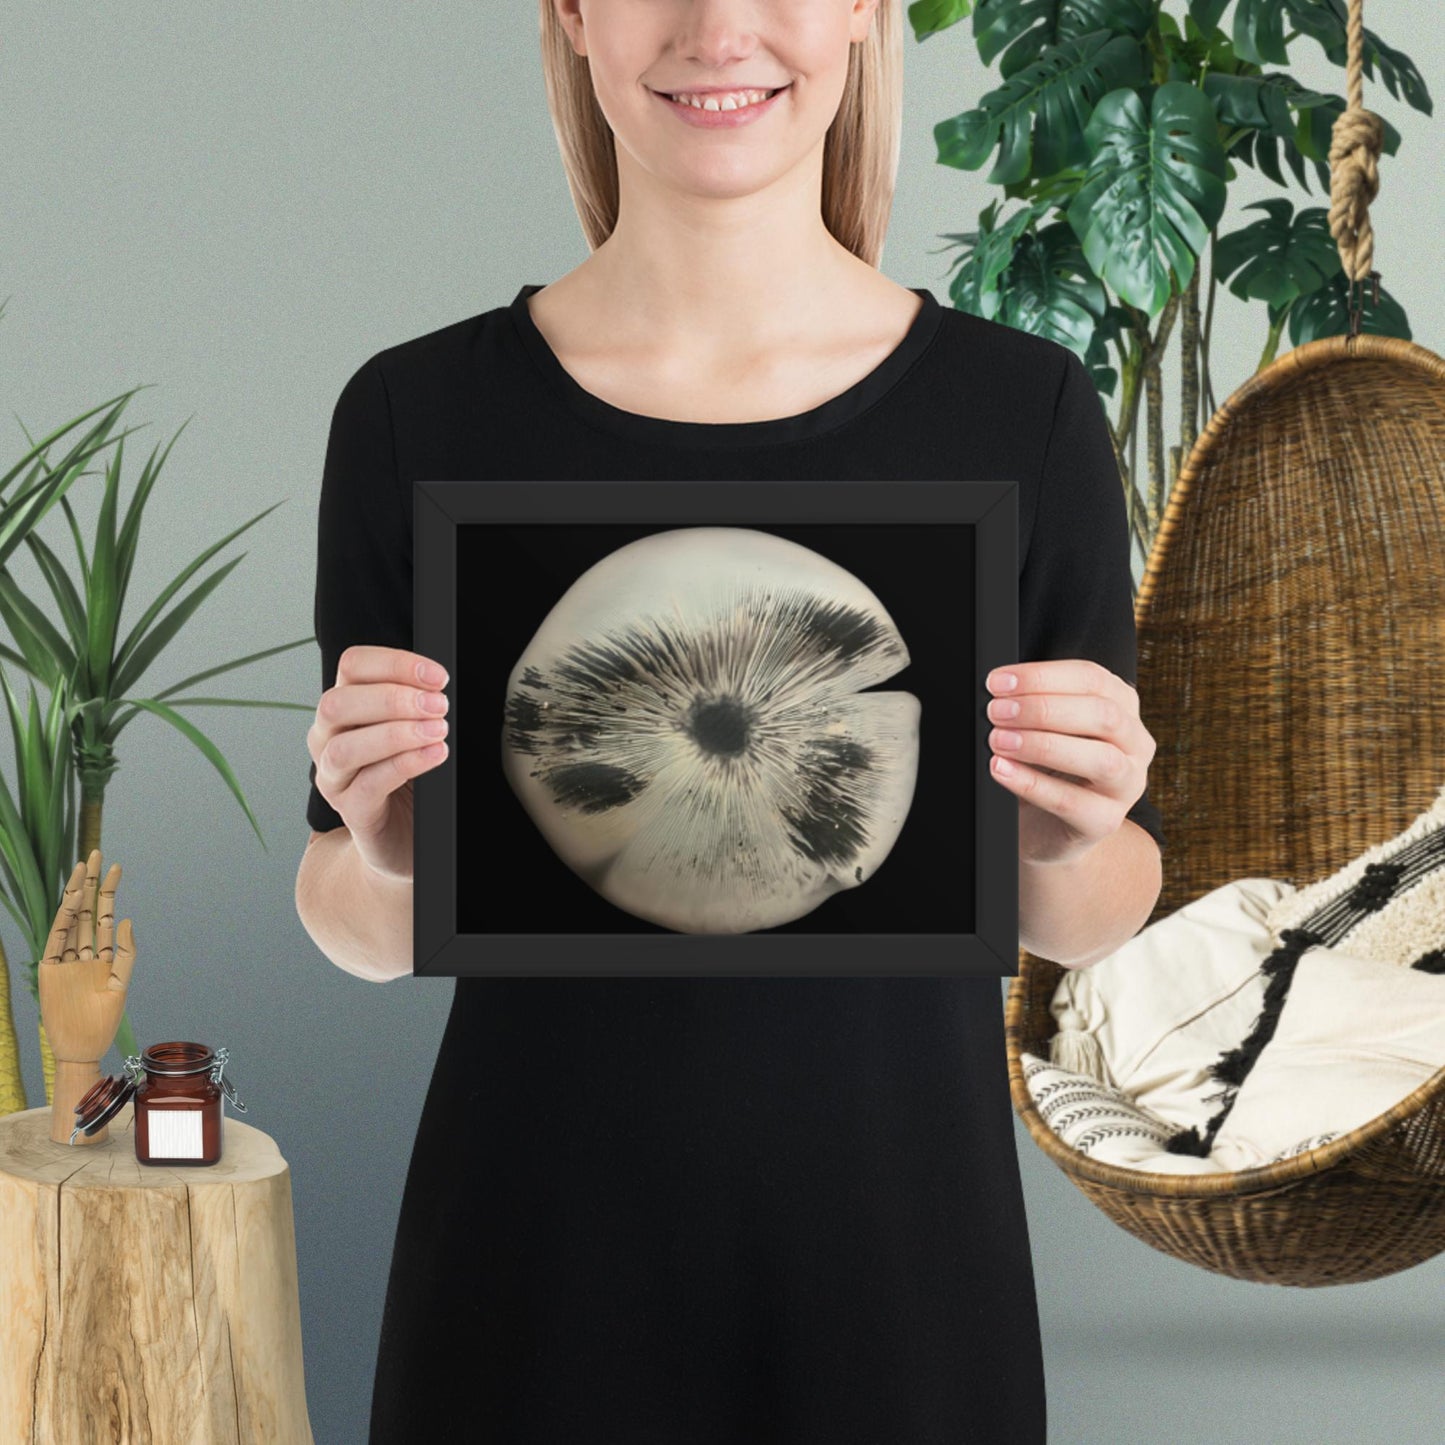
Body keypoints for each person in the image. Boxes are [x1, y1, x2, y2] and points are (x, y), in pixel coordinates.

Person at [295, 0, 1165, 1439]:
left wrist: (1076, 824)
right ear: (572, 15)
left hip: (899, 1279)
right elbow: (350, 914)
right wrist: (387, 844)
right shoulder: (412, 415)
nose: (718, 27)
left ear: (867, 14)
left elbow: (1085, 914)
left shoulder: (1023, 413)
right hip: (532, 1285)